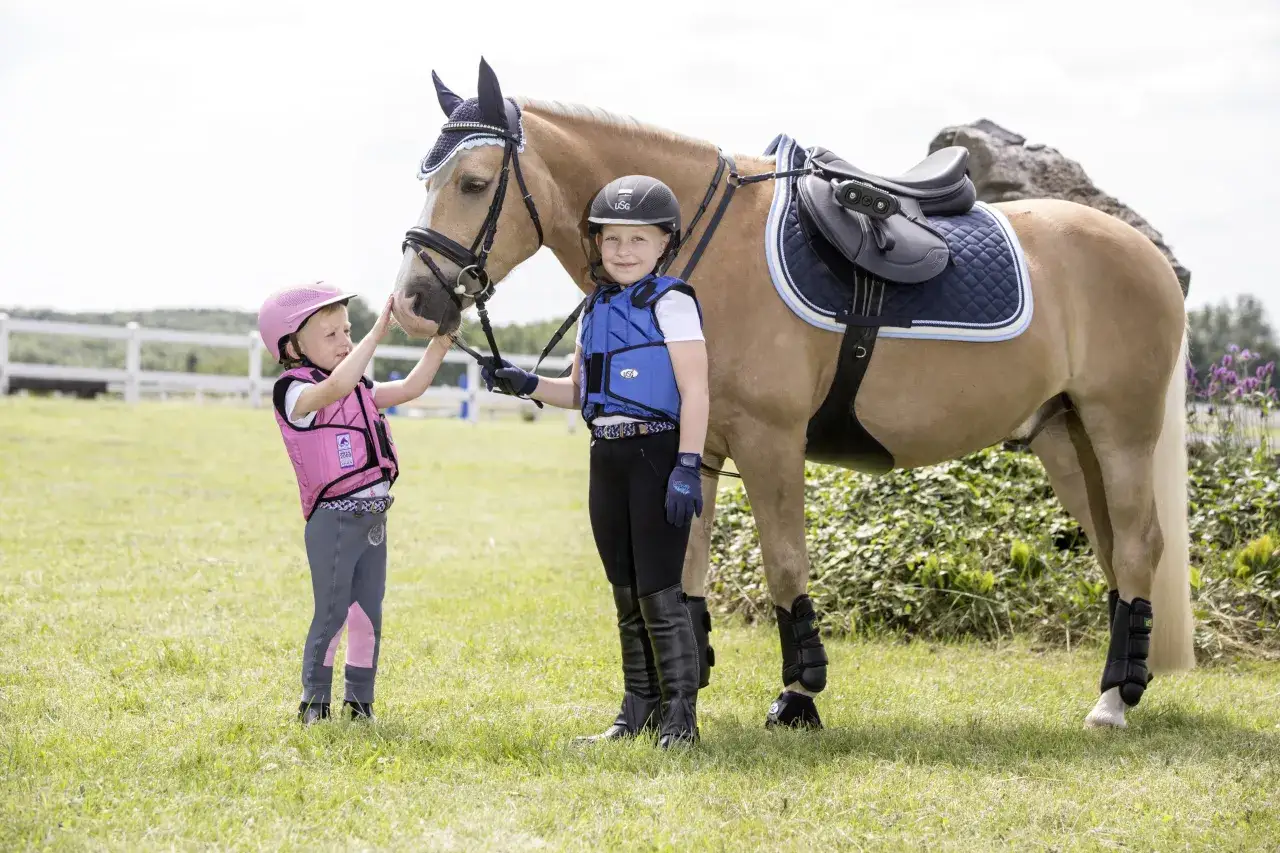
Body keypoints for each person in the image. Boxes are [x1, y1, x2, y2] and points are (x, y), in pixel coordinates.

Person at [482, 176, 710, 748]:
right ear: (598, 244)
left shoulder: (674, 302)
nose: (624, 251)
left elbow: (697, 391)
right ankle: (638, 709)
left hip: (658, 452)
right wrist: (528, 383)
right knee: (625, 588)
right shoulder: (595, 308)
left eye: (638, 239)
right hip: (606, 457)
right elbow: (580, 391)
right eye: (612, 239)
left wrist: (687, 465)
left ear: (664, 244)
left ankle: (680, 716)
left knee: (661, 588)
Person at [256, 283, 451, 724]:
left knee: (367, 615)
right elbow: (337, 385)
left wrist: (441, 344)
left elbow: (410, 387)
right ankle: (314, 702)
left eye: (348, 330)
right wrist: (377, 332)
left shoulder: (360, 385)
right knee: (332, 613)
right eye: (332, 335)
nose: (345, 342)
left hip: (373, 520)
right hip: (334, 522)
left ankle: (360, 702)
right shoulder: (293, 391)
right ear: (291, 346)